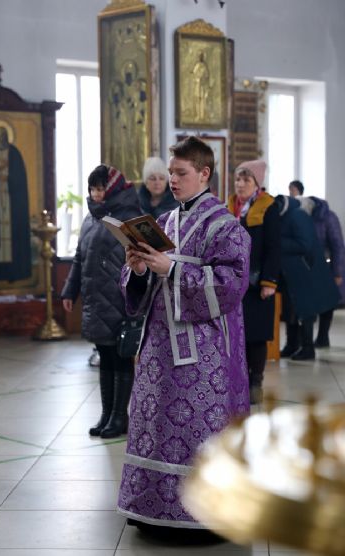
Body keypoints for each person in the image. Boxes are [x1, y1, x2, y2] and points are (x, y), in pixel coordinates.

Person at [117, 136, 251, 533]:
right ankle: (153, 507)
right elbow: (142, 282)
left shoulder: (226, 226)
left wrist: (172, 269)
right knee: (156, 425)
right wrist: (139, 268)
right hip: (159, 347)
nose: (172, 180)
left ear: (204, 173)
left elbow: (231, 283)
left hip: (203, 354)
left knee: (197, 429)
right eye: (170, 173)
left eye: (180, 173)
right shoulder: (164, 222)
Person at [61, 164, 142, 439]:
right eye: (93, 189)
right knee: (105, 356)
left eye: (100, 189)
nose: (96, 194)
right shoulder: (92, 218)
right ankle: (107, 414)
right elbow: (79, 258)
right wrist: (69, 291)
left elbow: (142, 258)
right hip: (96, 299)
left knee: (121, 357)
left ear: (113, 188)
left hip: (120, 299)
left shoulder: (129, 217)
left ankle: (120, 417)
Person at [228, 160, 280, 404]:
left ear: (257, 183)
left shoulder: (268, 206)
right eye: (238, 179)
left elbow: (274, 247)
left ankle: (256, 382)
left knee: (256, 334)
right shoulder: (229, 206)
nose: (240, 184)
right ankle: (239, 381)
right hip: (232, 280)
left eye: (246, 180)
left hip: (258, 281)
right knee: (236, 334)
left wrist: (269, 281)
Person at [276, 195, 340, 360]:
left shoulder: (297, 215)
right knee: (291, 309)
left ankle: (307, 347)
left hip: (304, 272)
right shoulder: (287, 215)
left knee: (305, 311)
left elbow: (304, 244)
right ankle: (292, 345)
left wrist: (277, 242)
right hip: (291, 272)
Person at [0, 125, 31, 282]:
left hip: (13, 201)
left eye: (1, 136)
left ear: (6, 137)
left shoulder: (14, 153)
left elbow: (20, 176)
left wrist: (9, 178)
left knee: (12, 235)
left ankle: (15, 271)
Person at [297, 195, 345, 347]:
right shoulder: (303, 216)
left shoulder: (329, 217)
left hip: (327, 266)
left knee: (327, 303)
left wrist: (338, 272)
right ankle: (307, 341)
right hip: (308, 265)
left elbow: (338, 246)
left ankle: (323, 337)